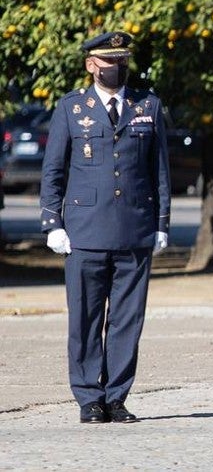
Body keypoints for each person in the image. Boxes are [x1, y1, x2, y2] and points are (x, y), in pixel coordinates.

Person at [39, 31, 171, 424]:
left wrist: (161, 222)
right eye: (109, 61)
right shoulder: (71, 108)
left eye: (122, 60)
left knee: (128, 319)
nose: (117, 67)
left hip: (134, 227)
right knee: (85, 317)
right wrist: (52, 223)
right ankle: (88, 397)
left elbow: (158, 170)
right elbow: (54, 170)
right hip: (85, 230)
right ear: (91, 65)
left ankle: (116, 396)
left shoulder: (147, 105)